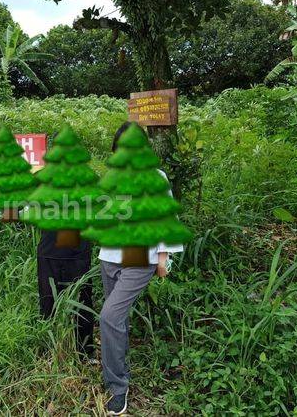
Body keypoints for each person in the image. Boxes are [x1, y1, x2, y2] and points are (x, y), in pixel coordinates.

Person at [99, 122, 183, 416]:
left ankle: (117, 387)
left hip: (140, 258)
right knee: (115, 319)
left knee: (109, 316)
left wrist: (163, 257)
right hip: (109, 256)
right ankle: (116, 365)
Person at [37, 229, 95, 360]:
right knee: (47, 302)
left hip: (78, 253)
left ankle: (85, 353)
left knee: (82, 301)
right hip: (48, 251)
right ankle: (49, 351)